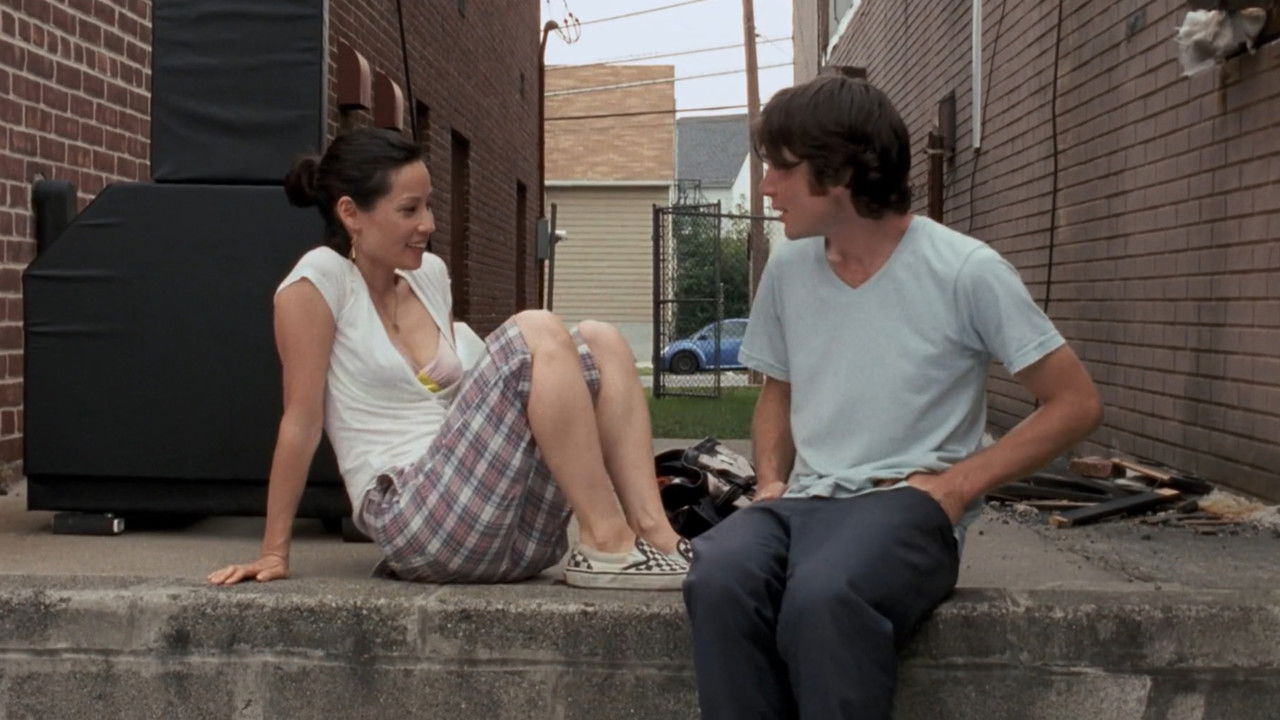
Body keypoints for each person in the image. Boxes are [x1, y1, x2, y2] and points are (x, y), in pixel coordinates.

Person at [682, 75, 1104, 718]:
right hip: (805, 502)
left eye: (782, 168)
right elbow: (778, 392)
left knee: (825, 596)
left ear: (839, 173)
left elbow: (1075, 403)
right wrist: (770, 482)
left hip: (906, 507)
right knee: (719, 574)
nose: (766, 187)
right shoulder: (789, 268)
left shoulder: (966, 271)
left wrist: (957, 486)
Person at [208, 127, 690, 590]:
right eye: (409, 209)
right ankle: (606, 540)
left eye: (429, 204)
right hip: (415, 521)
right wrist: (274, 552)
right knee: (537, 328)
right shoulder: (319, 281)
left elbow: (473, 412)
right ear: (351, 213)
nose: (429, 224)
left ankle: (656, 534)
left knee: (602, 340)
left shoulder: (430, 275)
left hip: (505, 531)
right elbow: (301, 420)